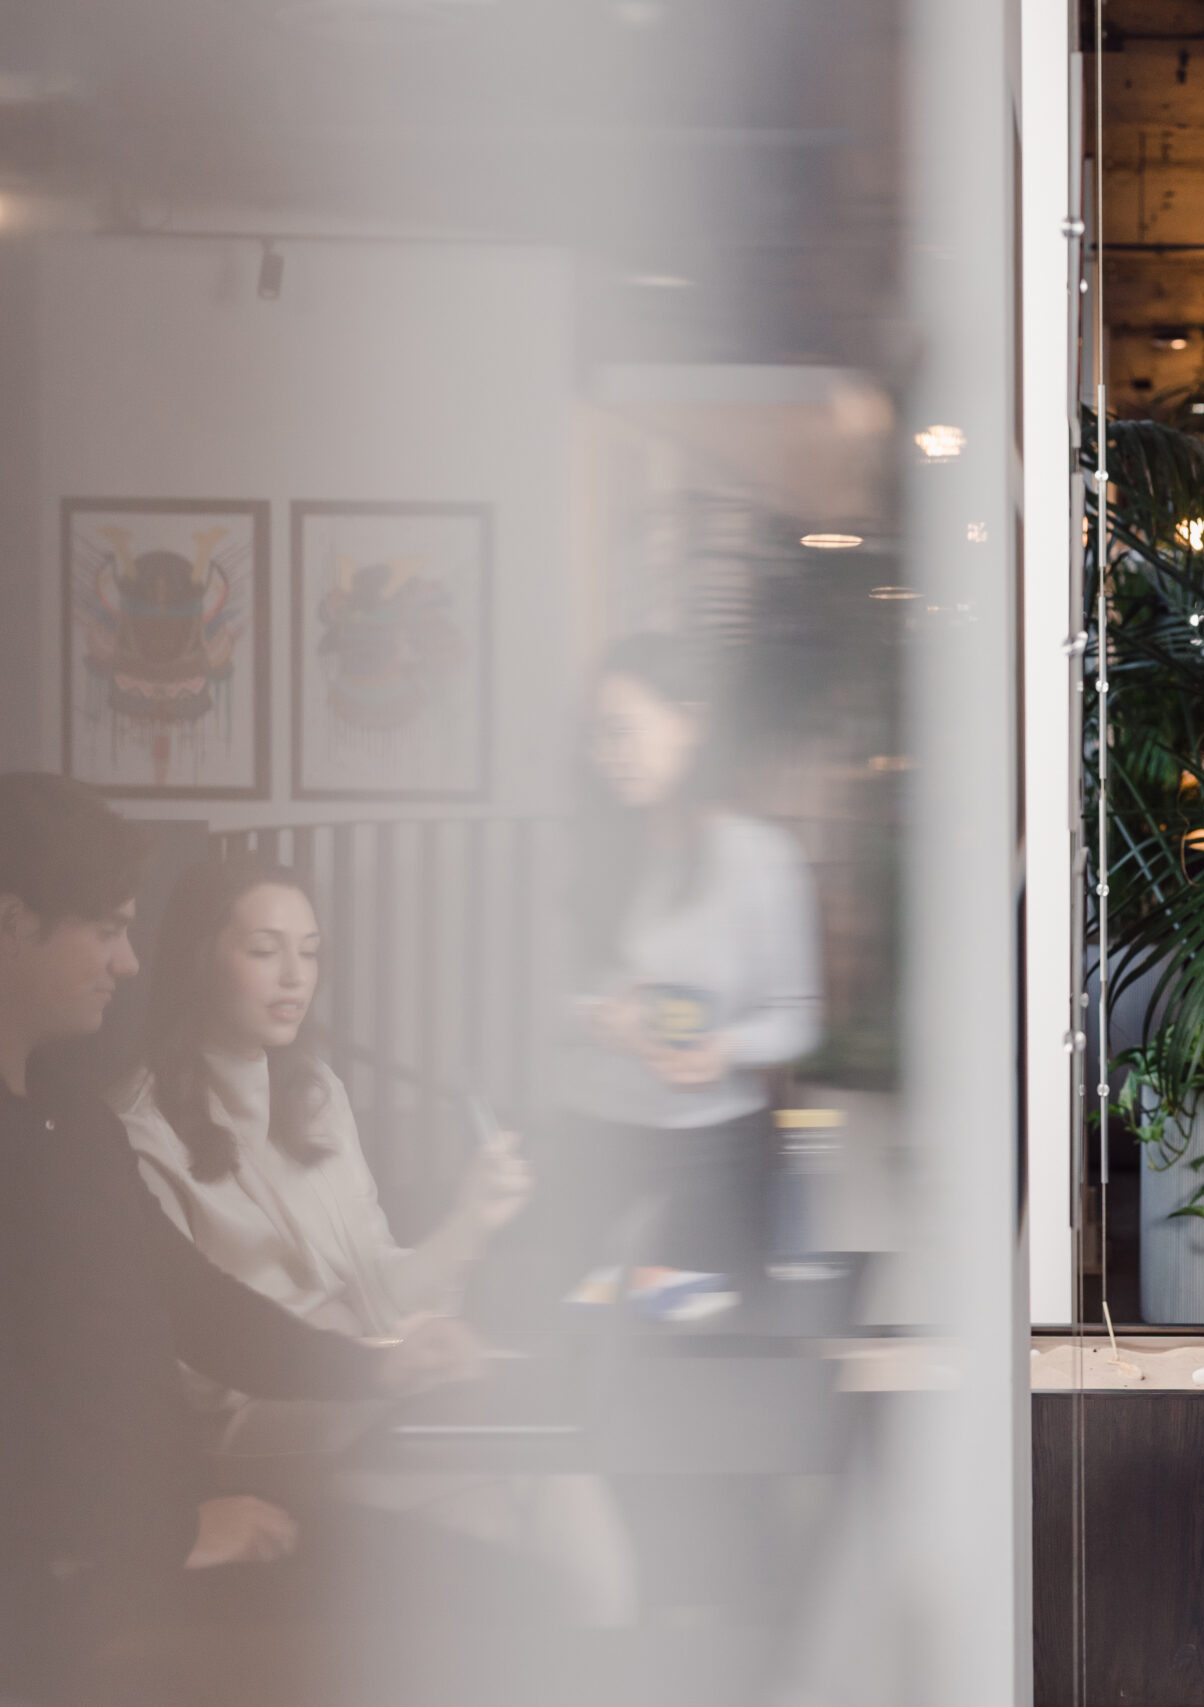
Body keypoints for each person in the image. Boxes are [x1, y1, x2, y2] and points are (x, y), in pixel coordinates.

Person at [0, 773, 483, 1704]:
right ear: (12, 923)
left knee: (484, 1591)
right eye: (105, 929)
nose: (128, 962)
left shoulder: (70, 1117)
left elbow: (197, 1305)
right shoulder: (93, 1125)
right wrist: (166, 1529)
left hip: (152, 1521)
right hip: (75, 1573)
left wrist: (371, 1367)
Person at [110, 856, 634, 1628]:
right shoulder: (136, 1128)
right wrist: (368, 1363)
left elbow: (379, 1287)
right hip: (262, 1423)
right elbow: (195, 1368)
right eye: (264, 949)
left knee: (554, 1473)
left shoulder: (315, 1095)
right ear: (199, 958)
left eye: (311, 949)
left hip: (371, 1388)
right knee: (512, 1517)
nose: (295, 975)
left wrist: (471, 1218)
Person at [547, 633, 823, 1298]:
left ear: (688, 723)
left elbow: (798, 1017)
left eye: (622, 731)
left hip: (714, 1151)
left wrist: (722, 1048)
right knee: (583, 1333)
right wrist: (601, 1018)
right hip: (593, 1137)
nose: (606, 754)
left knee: (709, 1349)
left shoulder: (761, 859)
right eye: (597, 736)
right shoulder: (590, 852)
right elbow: (544, 993)